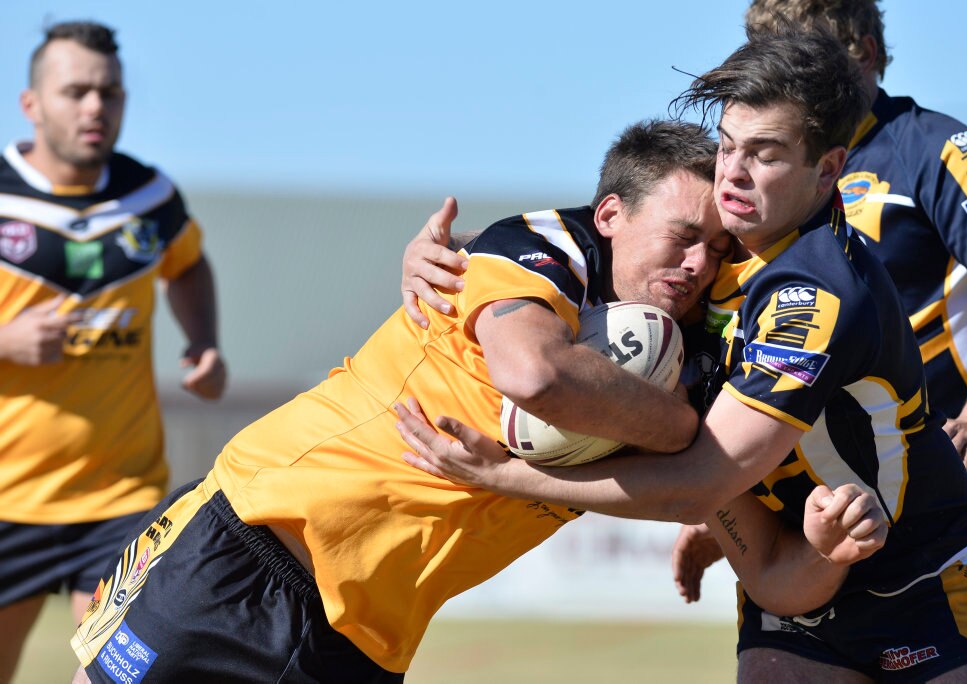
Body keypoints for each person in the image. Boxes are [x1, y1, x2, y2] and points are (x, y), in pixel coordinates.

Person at [70, 119, 886, 683]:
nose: (699, 265)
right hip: (252, 546)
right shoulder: (533, 254)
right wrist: (676, 429)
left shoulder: (699, 362)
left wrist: (825, 545)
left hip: (365, 640)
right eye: (682, 236)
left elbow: (778, 576)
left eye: (718, 250)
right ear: (609, 215)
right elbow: (536, 375)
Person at [395, 26, 967, 681]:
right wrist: (455, 252)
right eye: (727, 146)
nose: (734, 174)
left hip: (917, 571)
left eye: (766, 154)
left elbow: (700, 482)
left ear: (827, 169)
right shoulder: (723, 247)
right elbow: (611, 239)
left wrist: (504, 477)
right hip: (785, 571)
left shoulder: (816, 295)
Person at [672, 3, 967, 679]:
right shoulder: (753, 180)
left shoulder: (943, 152)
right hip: (821, 509)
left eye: (803, 53)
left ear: (863, 52)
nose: (785, 71)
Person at [0, 20, 226, 682]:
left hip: (120, 499)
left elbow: (187, 264)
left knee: (122, 677)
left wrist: (204, 342)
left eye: (110, 93)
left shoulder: (150, 198)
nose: (96, 107)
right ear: (32, 104)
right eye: (76, 91)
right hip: (6, 499)